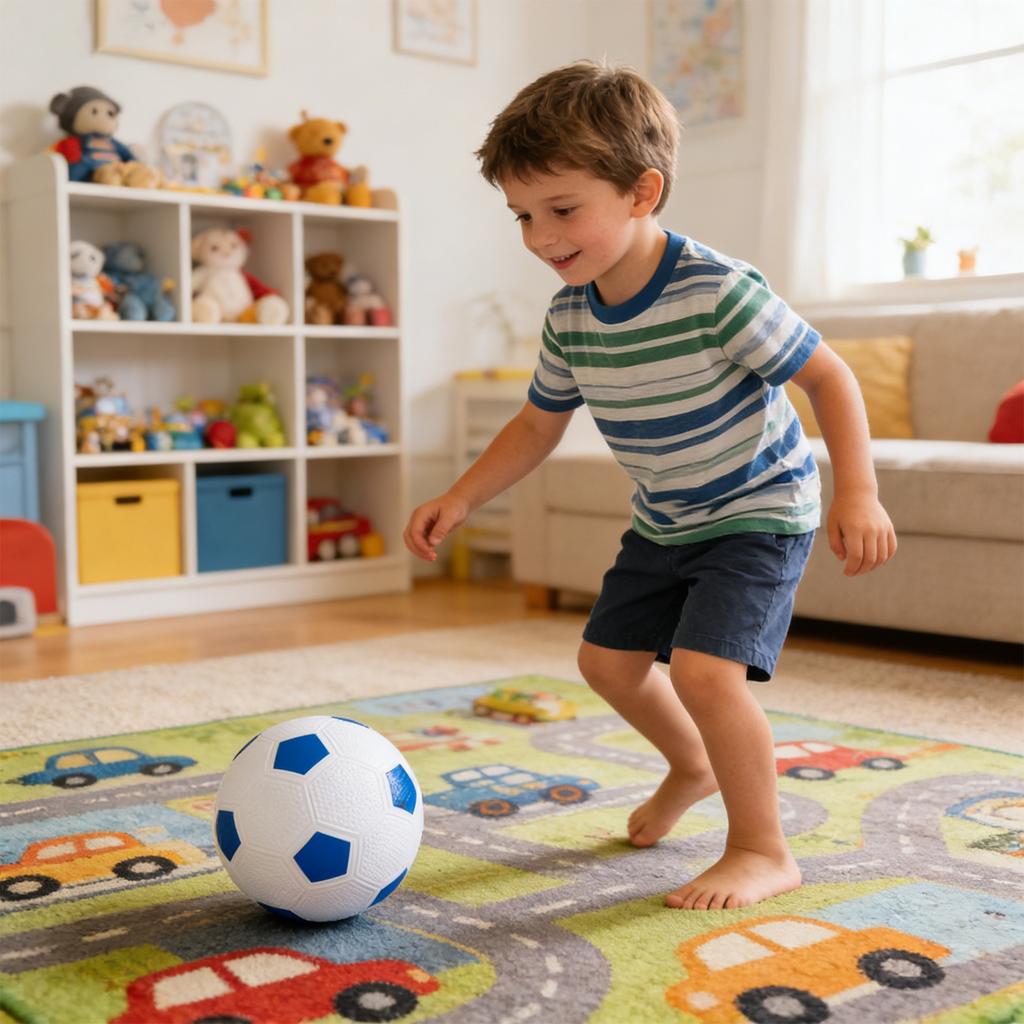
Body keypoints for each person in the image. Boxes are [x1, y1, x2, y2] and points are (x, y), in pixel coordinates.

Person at [404, 61, 896, 910]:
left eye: (562, 210)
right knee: (606, 661)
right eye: (523, 214)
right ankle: (694, 762)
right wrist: (463, 496)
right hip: (667, 519)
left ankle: (761, 847)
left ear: (642, 192)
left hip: (758, 509)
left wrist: (858, 493)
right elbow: (536, 425)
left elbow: (831, 379)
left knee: (708, 675)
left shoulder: (716, 291)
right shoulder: (570, 315)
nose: (539, 236)